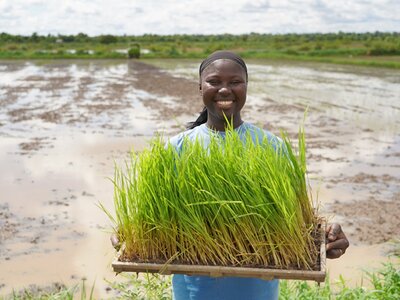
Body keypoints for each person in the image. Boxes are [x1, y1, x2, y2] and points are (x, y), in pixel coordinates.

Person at [112, 50, 350, 300]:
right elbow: (151, 220)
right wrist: (129, 234)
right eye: (214, 82)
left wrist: (327, 238)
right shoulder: (175, 149)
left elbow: (298, 221)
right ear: (200, 87)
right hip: (193, 294)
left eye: (235, 82)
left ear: (246, 87)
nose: (224, 89)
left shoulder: (272, 148)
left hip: (258, 293)